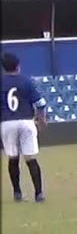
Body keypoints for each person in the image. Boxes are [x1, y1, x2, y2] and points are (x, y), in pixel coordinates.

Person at [1, 52, 48, 202]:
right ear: (18, 66)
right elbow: (40, 103)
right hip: (26, 121)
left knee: (13, 158)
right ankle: (39, 193)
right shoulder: (26, 81)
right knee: (31, 158)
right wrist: (42, 119)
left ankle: (17, 192)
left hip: (7, 123)